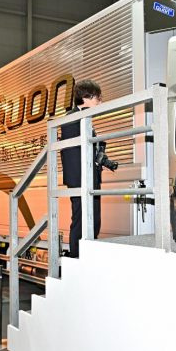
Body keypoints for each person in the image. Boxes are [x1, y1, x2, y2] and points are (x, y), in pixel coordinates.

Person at [60, 79, 103, 258]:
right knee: (81, 218)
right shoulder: (72, 118)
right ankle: (77, 256)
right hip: (81, 179)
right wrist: (83, 181)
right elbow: (71, 154)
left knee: (92, 219)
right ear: (86, 97)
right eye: (97, 98)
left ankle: (87, 253)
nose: (100, 102)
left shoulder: (83, 117)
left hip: (89, 177)